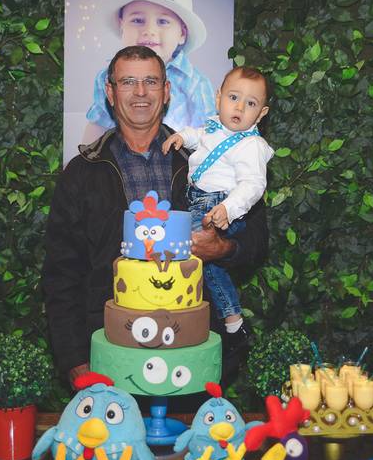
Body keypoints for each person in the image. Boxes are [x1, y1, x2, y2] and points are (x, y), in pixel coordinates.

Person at [43, 46, 268, 386]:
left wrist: (221, 248)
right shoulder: (82, 172)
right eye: (128, 82)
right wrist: (75, 360)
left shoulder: (205, 162)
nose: (140, 92)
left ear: (166, 91)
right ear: (110, 92)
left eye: (150, 81)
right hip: (109, 353)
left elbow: (257, 241)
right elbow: (61, 274)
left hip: (191, 357)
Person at [161, 66, 273, 337]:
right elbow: (198, 135)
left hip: (218, 205)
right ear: (218, 97)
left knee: (181, 250)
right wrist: (181, 136)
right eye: (233, 98)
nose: (240, 107)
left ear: (261, 113)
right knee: (206, 261)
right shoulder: (214, 128)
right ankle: (229, 316)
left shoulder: (252, 146)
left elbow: (253, 186)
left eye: (251, 103)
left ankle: (172, 302)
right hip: (196, 200)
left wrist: (228, 209)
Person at [81, 0, 215, 145]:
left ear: (182, 33)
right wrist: (86, 156)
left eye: (163, 21)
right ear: (122, 26)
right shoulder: (107, 77)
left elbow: (209, 134)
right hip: (119, 158)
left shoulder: (195, 83)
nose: (149, 31)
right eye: (137, 20)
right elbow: (98, 125)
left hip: (178, 158)